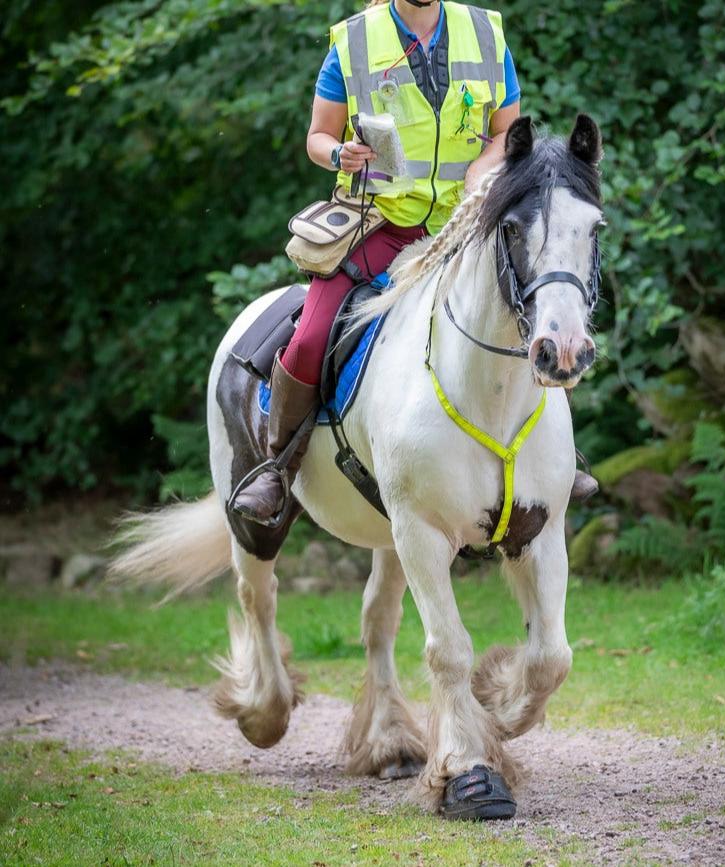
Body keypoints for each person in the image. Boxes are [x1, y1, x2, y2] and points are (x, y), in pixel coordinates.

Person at [233, 0, 598, 523]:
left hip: (463, 224)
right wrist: (339, 154)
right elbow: (318, 135)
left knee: (537, 302)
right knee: (312, 334)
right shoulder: (354, 41)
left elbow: (507, 133)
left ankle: (559, 458)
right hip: (378, 223)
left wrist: (481, 169)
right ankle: (278, 468)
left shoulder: (485, 33)